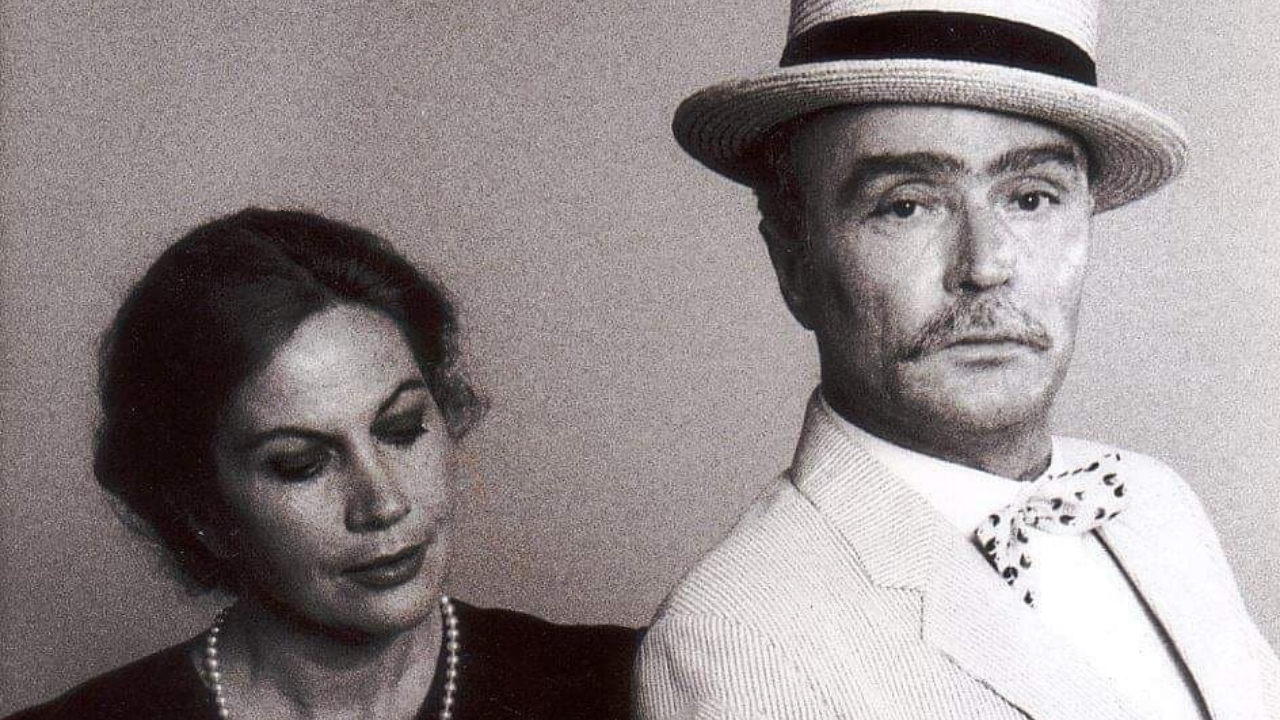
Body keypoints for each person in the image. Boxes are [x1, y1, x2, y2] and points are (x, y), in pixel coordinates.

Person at [634, 0, 1280, 718]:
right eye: (906, 206)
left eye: (1031, 198)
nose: (985, 265)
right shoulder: (737, 639)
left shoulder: (1154, 501)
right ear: (794, 263)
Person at [7, 208, 638, 720]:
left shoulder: (624, 689)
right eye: (301, 464)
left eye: (401, 430)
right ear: (200, 508)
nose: (383, 502)